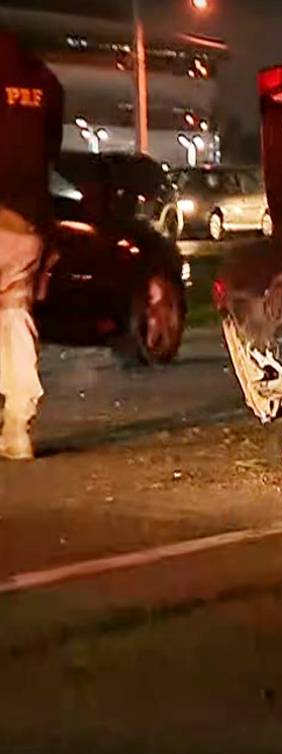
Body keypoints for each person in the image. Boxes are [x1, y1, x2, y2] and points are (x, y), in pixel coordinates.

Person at [0, 32, 63, 460]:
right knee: (15, 314)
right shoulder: (45, 81)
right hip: (26, 225)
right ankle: (18, 425)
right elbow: (50, 151)